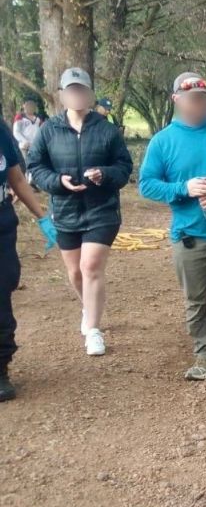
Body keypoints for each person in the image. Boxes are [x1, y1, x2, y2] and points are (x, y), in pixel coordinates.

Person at [139, 72, 206, 380]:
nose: (200, 104)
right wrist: (183, 189)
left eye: (204, 98)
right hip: (189, 236)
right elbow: (147, 185)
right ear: (177, 100)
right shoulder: (163, 142)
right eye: (193, 99)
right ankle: (205, 356)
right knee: (195, 301)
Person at [27, 68, 133, 356]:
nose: (77, 95)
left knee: (90, 267)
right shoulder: (49, 130)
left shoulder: (107, 129)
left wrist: (105, 175)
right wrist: (56, 182)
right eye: (71, 91)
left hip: (102, 210)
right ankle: (89, 308)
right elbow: (35, 166)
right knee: (75, 272)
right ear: (62, 96)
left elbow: (124, 168)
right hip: (64, 210)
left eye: (81, 90)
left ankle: (95, 331)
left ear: (89, 94)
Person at [0, 121, 55, 401]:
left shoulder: (0, 130)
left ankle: (0, 369)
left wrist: (41, 216)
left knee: (2, 293)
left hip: (1, 226)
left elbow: (17, 179)